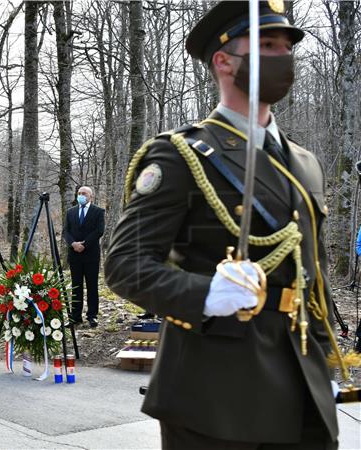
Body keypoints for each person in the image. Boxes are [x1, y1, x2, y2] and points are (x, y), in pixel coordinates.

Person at [104, 2, 339, 448]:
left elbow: (315, 279)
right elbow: (125, 264)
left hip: (301, 380)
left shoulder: (305, 164)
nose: (282, 57)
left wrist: (324, 362)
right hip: (214, 391)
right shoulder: (181, 154)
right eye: (267, 45)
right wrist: (206, 294)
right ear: (224, 59)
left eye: (286, 46)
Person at [62, 186, 105, 328]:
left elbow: (99, 231)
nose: (81, 195)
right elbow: (66, 231)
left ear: (90, 196)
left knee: (92, 286)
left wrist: (84, 244)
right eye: (79, 193)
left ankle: (92, 316)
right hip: (74, 255)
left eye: (84, 193)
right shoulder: (70, 212)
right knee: (76, 286)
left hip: (91, 254)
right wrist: (73, 244)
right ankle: (75, 317)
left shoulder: (98, 212)